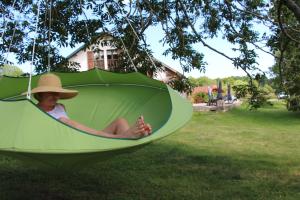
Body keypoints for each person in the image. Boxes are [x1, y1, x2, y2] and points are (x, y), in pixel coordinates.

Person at [23, 73, 152, 139]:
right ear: (40, 94)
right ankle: (121, 137)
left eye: (57, 93)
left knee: (120, 121)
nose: (55, 96)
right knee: (63, 121)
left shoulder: (60, 107)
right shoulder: (35, 111)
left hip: (82, 138)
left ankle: (138, 133)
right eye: (51, 92)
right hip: (62, 143)